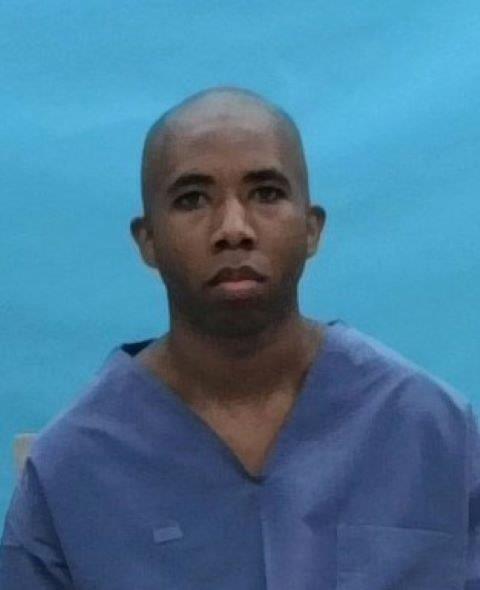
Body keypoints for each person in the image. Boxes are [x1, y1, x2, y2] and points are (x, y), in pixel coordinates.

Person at [0, 86, 478, 589]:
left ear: (311, 228)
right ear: (148, 241)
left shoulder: (431, 430)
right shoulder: (74, 467)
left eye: (266, 194)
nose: (233, 228)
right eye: (192, 199)